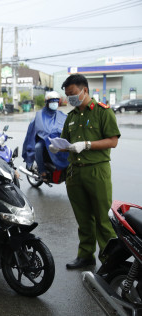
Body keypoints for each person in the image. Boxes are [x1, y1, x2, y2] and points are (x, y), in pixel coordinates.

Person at [51, 74, 120, 269]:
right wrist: (58, 147)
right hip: (75, 173)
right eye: (67, 95)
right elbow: (66, 141)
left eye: (72, 94)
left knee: (103, 219)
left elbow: (113, 141)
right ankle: (86, 255)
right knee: (83, 219)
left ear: (85, 90)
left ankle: (110, 262)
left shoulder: (103, 112)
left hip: (97, 171)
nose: (70, 98)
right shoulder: (71, 117)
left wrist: (87, 144)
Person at [22, 91, 69, 181]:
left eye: (56, 102)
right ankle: (42, 170)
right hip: (44, 139)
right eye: (52, 102)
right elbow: (41, 128)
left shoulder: (61, 115)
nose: (54, 104)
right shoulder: (40, 115)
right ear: (47, 103)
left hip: (57, 139)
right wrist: (49, 134)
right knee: (38, 147)